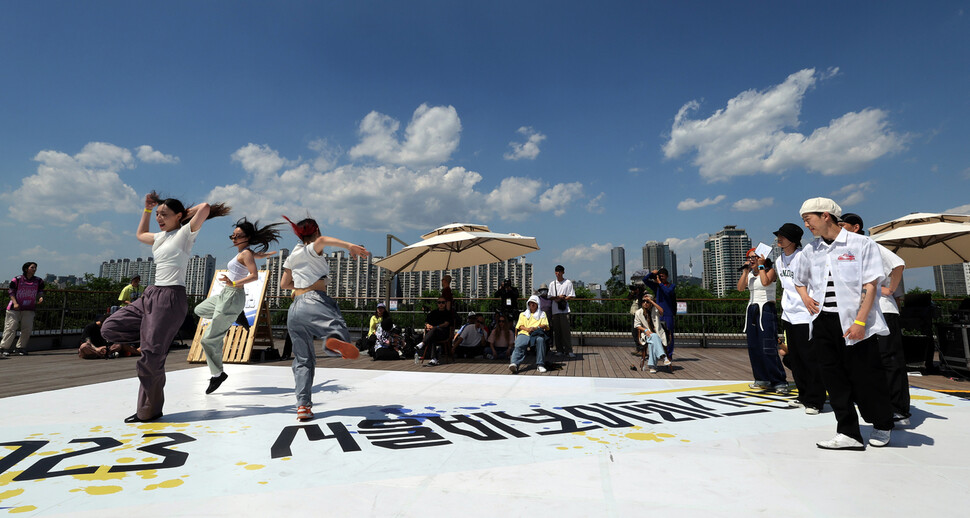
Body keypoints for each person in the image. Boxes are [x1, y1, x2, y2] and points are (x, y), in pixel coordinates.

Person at [101, 192, 230, 423]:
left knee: (150, 359)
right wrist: (148, 210)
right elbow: (140, 234)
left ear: (178, 216)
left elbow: (206, 207)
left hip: (170, 297)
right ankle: (153, 341)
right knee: (109, 327)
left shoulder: (184, 234)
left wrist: (181, 218)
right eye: (158, 215)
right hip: (151, 294)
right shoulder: (160, 237)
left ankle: (148, 410)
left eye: (164, 215)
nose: (159, 219)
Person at [793, 197, 894, 450]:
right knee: (833, 378)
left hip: (855, 321)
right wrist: (806, 298)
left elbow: (871, 285)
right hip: (823, 320)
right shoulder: (811, 249)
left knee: (866, 376)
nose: (807, 225)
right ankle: (848, 431)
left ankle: (882, 424)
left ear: (826, 215)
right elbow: (798, 278)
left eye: (809, 219)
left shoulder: (861, 244)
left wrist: (860, 321)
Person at [280, 215, 366, 422]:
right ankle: (331, 341)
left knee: (303, 360)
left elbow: (284, 284)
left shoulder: (293, 254)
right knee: (338, 326)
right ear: (316, 230)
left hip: (294, 309)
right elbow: (321, 241)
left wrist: (299, 288)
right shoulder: (312, 248)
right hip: (314, 301)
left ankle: (302, 406)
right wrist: (350, 246)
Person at [194, 217, 282, 394]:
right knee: (199, 309)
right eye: (232, 236)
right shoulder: (244, 252)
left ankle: (217, 374)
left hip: (233, 295)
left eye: (237, 236)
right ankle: (236, 315)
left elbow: (254, 275)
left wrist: (234, 284)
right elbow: (252, 255)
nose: (233, 239)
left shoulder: (246, 253)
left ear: (247, 237)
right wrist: (263, 255)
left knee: (207, 340)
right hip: (225, 295)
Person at [840, 213, 911, 426]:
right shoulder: (849, 248)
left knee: (890, 360)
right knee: (871, 361)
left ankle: (899, 408)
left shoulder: (869, 244)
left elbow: (898, 263)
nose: (840, 229)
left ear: (855, 227)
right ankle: (879, 404)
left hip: (884, 310)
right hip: (865, 313)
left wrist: (889, 288)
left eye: (843, 225)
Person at [773, 223, 825, 415]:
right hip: (789, 314)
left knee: (809, 358)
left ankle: (815, 400)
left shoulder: (803, 256)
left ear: (793, 240)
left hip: (805, 314)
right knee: (795, 358)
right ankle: (803, 395)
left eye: (783, 236)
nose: (779, 239)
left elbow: (813, 281)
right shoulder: (779, 260)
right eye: (779, 235)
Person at [737, 247, 788, 395]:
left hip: (766, 309)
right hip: (752, 309)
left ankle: (778, 380)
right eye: (750, 257)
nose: (752, 259)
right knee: (754, 346)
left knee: (768, 346)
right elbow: (740, 288)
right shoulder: (751, 274)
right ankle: (761, 378)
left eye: (755, 257)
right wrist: (745, 271)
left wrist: (761, 266)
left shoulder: (769, 271)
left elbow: (765, 282)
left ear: (763, 258)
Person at [2, 262, 45, 357]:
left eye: (35, 267)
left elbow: (40, 291)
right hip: (14, 308)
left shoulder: (38, 280)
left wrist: (40, 297)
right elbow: (11, 292)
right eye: (32, 267)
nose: (34, 269)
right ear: (26, 269)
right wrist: (15, 303)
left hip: (29, 308)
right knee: (11, 328)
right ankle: (4, 348)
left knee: (27, 328)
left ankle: (20, 347)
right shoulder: (17, 279)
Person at [509, 295, 549, 374]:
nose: (532, 304)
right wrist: (528, 329)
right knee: (520, 342)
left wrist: (536, 328)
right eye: (531, 303)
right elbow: (519, 326)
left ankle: (540, 364)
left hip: (536, 333)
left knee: (540, 340)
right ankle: (515, 364)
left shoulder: (542, 314)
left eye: (534, 303)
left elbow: (545, 325)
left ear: (537, 304)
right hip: (525, 333)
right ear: (528, 304)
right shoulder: (522, 314)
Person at [644, 267, 676, 358]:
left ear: (667, 276)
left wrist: (660, 283)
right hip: (658, 313)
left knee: (669, 334)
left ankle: (669, 354)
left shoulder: (671, 286)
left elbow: (667, 292)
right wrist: (652, 274)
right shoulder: (657, 286)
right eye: (659, 276)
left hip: (668, 313)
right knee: (657, 333)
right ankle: (660, 353)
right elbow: (645, 280)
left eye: (662, 276)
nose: (661, 278)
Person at [634, 297, 670, 373]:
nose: (645, 303)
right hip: (647, 334)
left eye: (647, 302)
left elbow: (662, 311)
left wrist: (652, 301)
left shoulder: (655, 309)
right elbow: (637, 325)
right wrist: (645, 330)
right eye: (643, 301)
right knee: (653, 336)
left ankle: (652, 366)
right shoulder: (638, 312)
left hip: (658, 333)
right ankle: (663, 357)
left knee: (652, 342)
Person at [549, 265, 576, 358]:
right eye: (556, 271)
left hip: (564, 309)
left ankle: (569, 350)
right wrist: (557, 298)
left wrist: (563, 298)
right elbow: (549, 296)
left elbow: (571, 295)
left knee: (566, 331)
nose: (558, 273)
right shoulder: (552, 283)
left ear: (563, 272)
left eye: (560, 271)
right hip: (555, 310)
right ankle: (559, 349)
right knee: (557, 331)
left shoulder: (568, 282)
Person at [419, 297, 452, 366]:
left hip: (443, 333)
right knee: (433, 337)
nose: (441, 304)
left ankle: (423, 343)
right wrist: (427, 325)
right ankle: (434, 359)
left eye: (443, 302)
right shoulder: (433, 312)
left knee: (434, 330)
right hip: (434, 334)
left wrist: (435, 327)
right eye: (439, 302)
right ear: (437, 304)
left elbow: (446, 324)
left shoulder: (448, 313)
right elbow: (427, 322)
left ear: (445, 304)